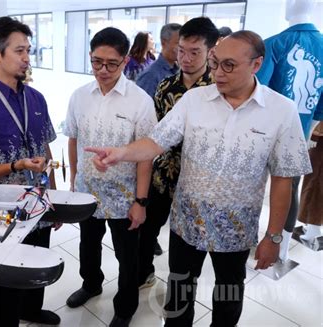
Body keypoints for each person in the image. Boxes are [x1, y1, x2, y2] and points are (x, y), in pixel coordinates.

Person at [86, 31, 312, 327]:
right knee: (180, 290)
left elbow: (284, 179)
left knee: (228, 293)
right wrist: (121, 153)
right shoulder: (194, 100)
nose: (217, 72)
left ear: (256, 65)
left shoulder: (281, 111)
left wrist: (273, 237)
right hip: (186, 224)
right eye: (215, 62)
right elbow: (156, 142)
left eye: (229, 65)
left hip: (236, 228)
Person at [0, 17, 59, 326]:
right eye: (19, 51)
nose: (27, 58)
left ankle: (31, 311)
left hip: (38, 202)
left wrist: (53, 195)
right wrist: (15, 165)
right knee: (6, 280)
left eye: (29, 50)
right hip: (1, 212)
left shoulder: (36, 99)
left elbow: (45, 150)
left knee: (36, 262)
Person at [64, 27, 157, 327]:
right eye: (96, 62)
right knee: (87, 245)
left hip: (124, 196)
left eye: (111, 63)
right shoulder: (80, 96)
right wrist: (73, 181)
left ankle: (125, 306)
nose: (102, 70)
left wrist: (140, 201)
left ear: (126, 60)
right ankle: (91, 284)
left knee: (127, 256)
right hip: (87, 191)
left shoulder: (140, 101)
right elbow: (73, 139)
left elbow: (146, 155)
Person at [137, 17, 219, 290]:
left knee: (190, 239)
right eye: (182, 50)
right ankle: (145, 271)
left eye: (195, 52)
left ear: (211, 51)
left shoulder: (218, 91)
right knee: (148, 228)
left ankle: (187, 281)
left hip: (199, 180)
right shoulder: (165, 86)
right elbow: (155, 133)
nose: (185, 58)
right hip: (164, 174)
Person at [256, 0, 323, 261]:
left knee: (258, 184)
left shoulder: (273, 43)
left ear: (290, 8)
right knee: (290, 188)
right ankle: (280, 248)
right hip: (303, 130)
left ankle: (258, 237)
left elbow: (259, 91)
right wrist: (310, 128)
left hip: (267, 129)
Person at [136, 23, 181, 98]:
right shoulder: (151, 75)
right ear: (164, 43)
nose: (181, 48)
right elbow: (141, 106)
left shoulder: (179, 71)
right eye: (178, 43)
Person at [298, 122, 323, 243]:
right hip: (318, 134)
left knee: (315, 181)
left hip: (320, 137)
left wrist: (314, 134)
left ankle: (314, 227)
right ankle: (313, 224)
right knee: (314, 180)